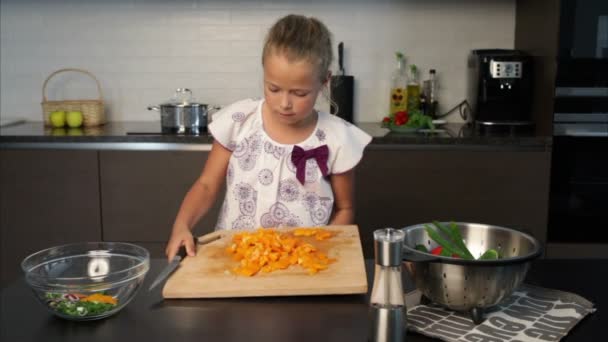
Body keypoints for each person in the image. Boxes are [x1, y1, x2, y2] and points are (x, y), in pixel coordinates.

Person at [165, 14, 372, 261]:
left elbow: (345, 208)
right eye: (273, 88)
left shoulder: (337, 138)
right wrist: (182, 225)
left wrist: (321, 249)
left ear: (325, 81)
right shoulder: (239, 121)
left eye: (299, 93)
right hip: (234, 259)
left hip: (300, 264)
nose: (284, 103)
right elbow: (207, 185)